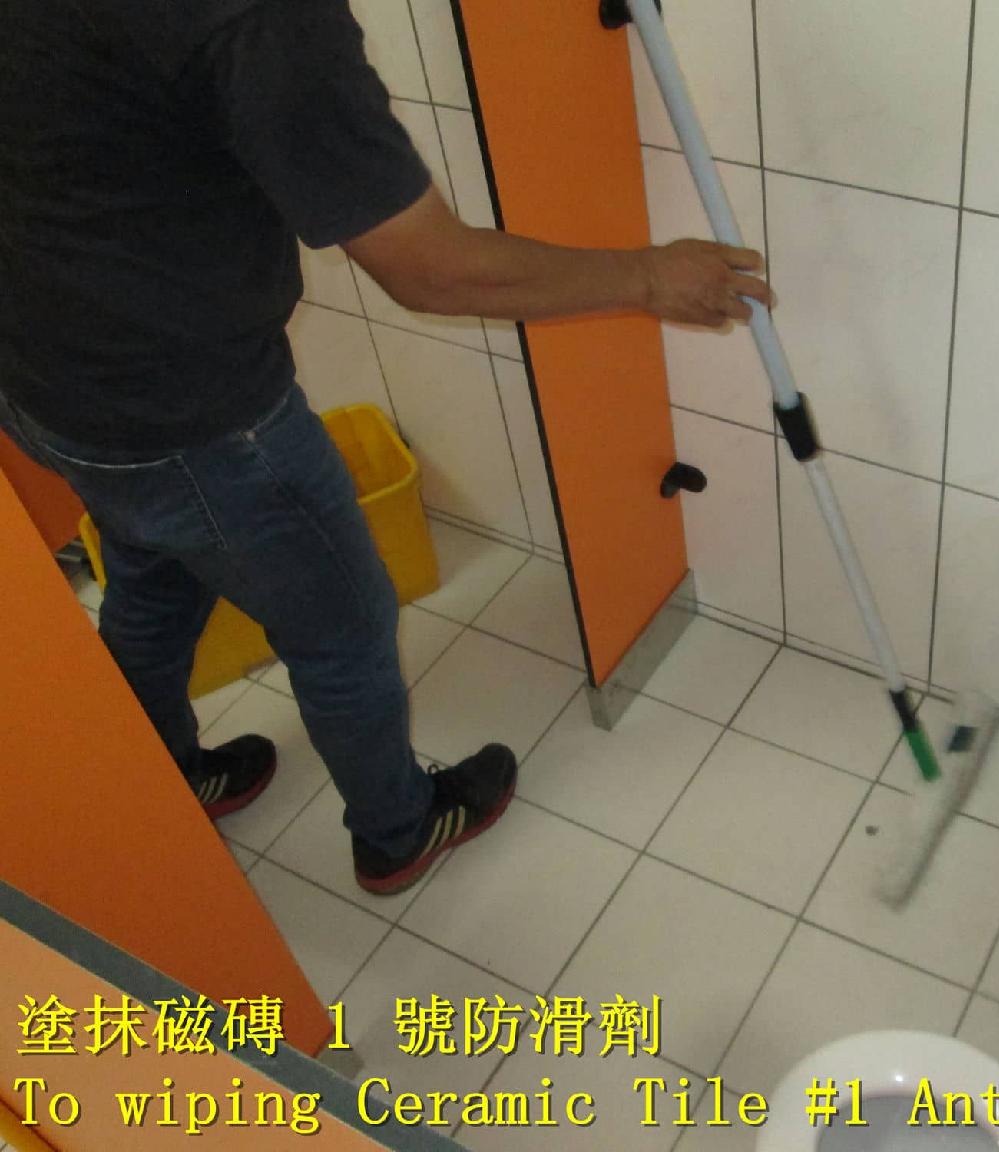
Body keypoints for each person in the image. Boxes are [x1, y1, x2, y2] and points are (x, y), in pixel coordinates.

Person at [0, 0, 770, 895]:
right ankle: (400, 831)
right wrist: (645, 275)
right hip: (193, 418)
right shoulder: (259, 19)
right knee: (343, 629)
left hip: (45, 382)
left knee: (151, 574)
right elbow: (429, 267)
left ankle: (163, 777)